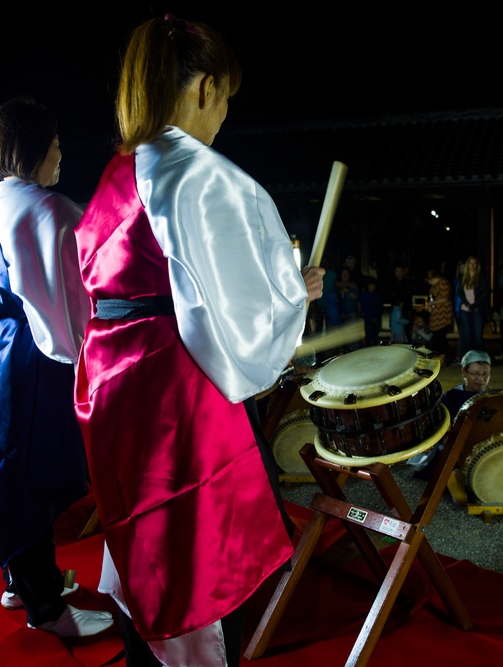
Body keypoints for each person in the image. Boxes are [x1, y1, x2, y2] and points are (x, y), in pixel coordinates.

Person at [71, 16, 325, 666]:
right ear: (205, 87)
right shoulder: (195, 171)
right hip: (176, 388)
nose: (223, 117)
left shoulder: (118, 171)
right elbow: (232, 316)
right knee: (195, 565)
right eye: (226, 98)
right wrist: (296, 295)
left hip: (113, 380)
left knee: (144, 542)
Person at [0, 97, 112, 637]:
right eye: (56, 143)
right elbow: (73, 311)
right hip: (33, 364)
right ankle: (47, 609)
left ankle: (22, 585)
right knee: (36, 478)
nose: (62, 153)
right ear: (33, 148)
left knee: (8, 475)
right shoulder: (50, 210)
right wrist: (90, 362)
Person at [456, 256, 489, 358]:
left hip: (477, 309)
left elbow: (486, 291)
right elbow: (460, 291)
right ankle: (470, 357)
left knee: (478, 334)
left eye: (474, 263)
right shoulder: (464, 277)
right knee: (468, 334)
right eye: (470, 263)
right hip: (465, 309)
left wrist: (476, 303)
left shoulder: (480, 277)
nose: (472, 265)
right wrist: (466, 303)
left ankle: (480, 357)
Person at [426, 268, 453, 359]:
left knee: (441, 337)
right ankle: (439, 357)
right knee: (436, 338)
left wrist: (433, 303)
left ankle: (443, 358)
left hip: (443, 315)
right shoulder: (434, 287)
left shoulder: (443, 283)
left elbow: (445, 298)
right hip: (435, 315)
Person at [360, 277, 384, 346]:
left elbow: (380, 307)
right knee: (369, 337)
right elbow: (365, 308)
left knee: (375, 337)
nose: (372, 286)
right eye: (371, 285)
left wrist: (376, 316)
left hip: (376, 319)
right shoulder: (365, 296)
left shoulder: (377, 295)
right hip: (368, 319)